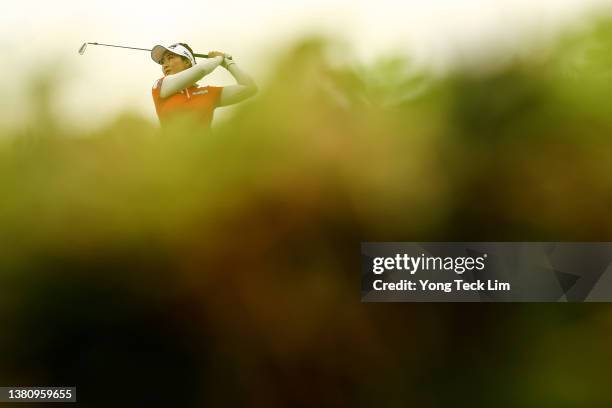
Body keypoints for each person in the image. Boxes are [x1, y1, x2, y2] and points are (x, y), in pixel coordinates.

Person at [151, 43, 257, 128]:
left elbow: (250, 88)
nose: (164, 65)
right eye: (162, 62)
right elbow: (201, 70)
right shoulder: (159, 86)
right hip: (174, 154)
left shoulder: (207, 93)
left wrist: (229, 63)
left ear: (187, 62)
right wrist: (217, 59)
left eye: (170, 58)